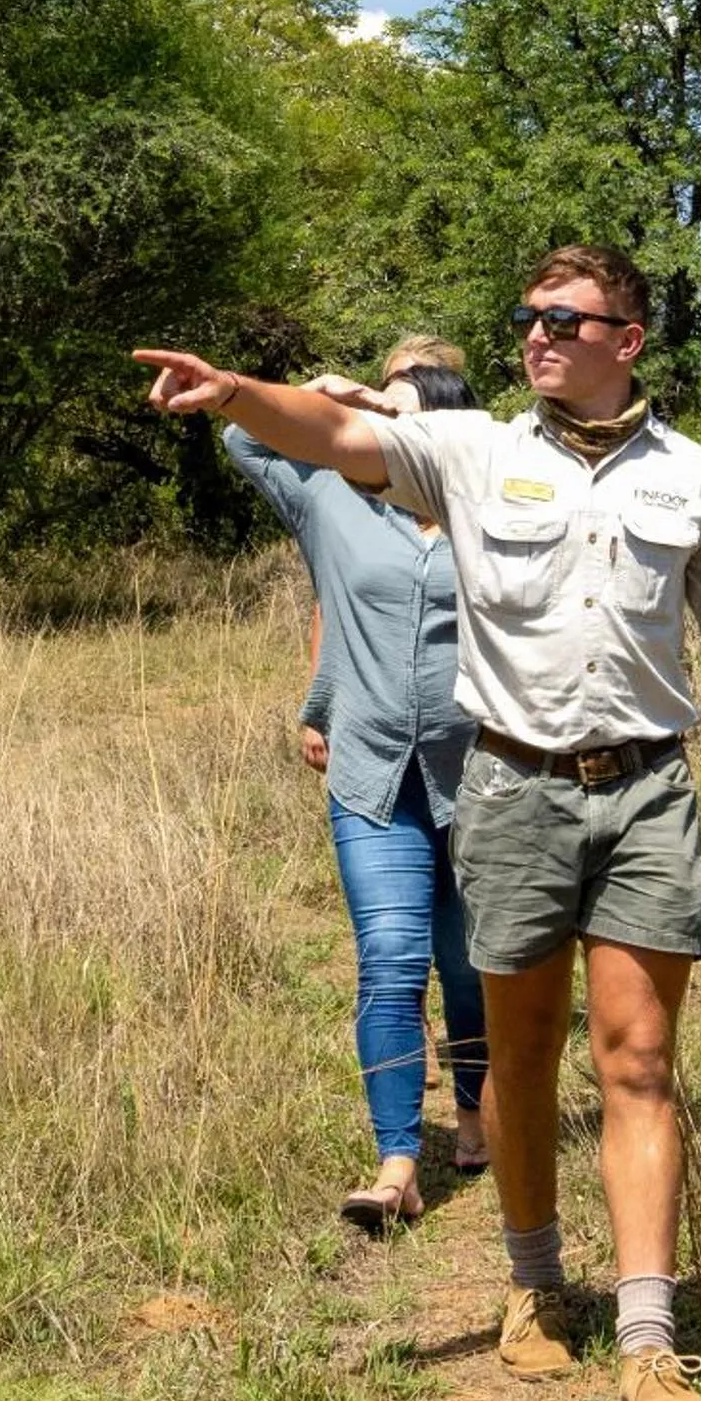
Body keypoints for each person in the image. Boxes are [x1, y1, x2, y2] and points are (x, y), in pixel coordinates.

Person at [136, 244, 701, 1401]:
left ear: (625, 338)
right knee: (524, 1051)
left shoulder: (694, 479)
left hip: (644, 791)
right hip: (512, 794)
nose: (536, 334)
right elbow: (333, 439)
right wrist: (232, 393)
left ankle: (647, 1340)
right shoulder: (474, 449)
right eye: (526, 315)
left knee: (636, 1063)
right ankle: (533, 1281)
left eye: (563, 319)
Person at [226, 339, 489, 1234]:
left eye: (403, 413)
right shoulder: (328, 497)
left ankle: (477, 1110)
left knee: (469, 960)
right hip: (373, 772)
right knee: (389, 959)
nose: (380, 426)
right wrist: (334, 398)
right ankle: (395, 1162)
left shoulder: (483, 504)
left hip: (482, 775)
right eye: (375, 413)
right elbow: (248, 442)